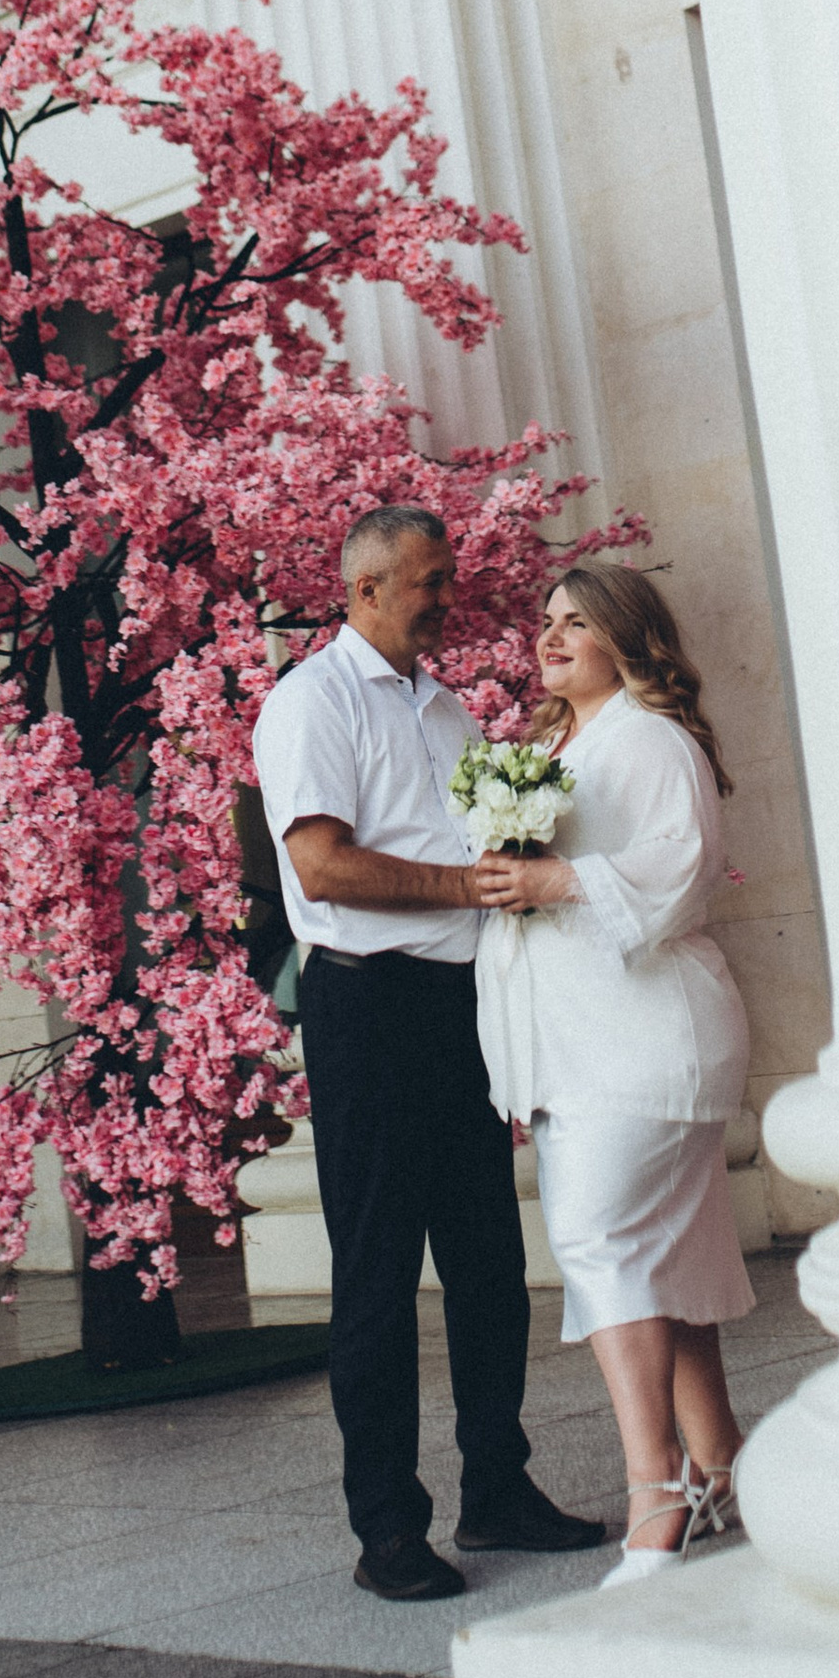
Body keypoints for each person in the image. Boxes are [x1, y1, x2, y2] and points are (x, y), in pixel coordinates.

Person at [251, 502, 607, 1602]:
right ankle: (386, 1529)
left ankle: (496, 1486)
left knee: (490, 1263)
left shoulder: (446, 710)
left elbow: (468, 844)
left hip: (462, 1009)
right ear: (365, 589)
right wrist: (471, 884)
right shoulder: (307, 703)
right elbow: (322, 867)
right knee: (375, 1274)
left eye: (446, 577)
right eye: (430, 581)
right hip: (367, 1008)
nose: (449, 596)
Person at [471, 561, 753, 1585]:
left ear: (628, 640)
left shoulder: (653, 738)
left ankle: (654, 1490)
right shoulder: (556, 745)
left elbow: (680, 865)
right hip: (576, 1037)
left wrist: (554, 875)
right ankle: (717, 1463)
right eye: (545, 619)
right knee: (657, 1256)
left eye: (576, 622)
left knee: (598, 1240)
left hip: (644, 1035)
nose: (550, 636)